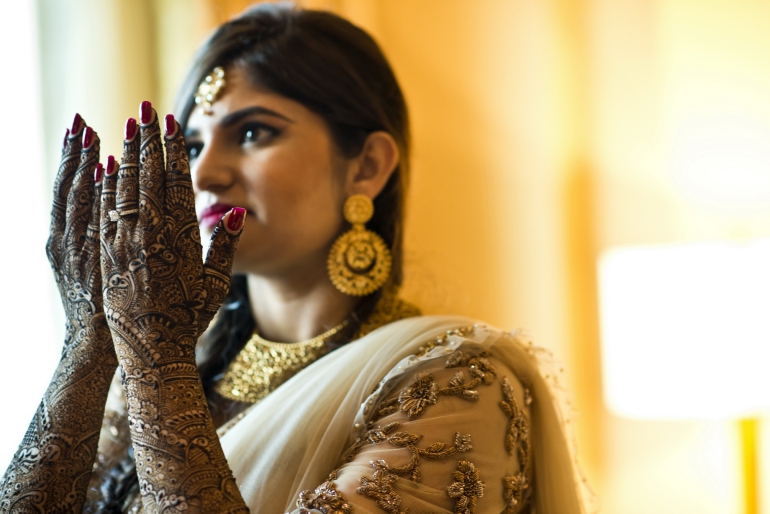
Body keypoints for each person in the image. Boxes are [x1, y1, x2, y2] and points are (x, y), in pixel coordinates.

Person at [0, 4, 591, 513]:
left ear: (367, 166)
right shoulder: (187, 374)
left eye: (254, 133)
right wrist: (92, 339)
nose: (204, 173)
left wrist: (155, 357)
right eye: (193, 144)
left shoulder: (455, 383)